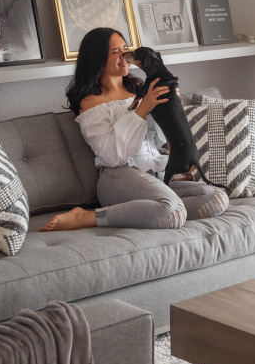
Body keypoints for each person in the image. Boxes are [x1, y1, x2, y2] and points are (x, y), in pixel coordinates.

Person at [40, 27, 229, 231]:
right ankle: (87, 217)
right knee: (171, 211)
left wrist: (171, 106)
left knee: (216, 198)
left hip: (155, 175)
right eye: (115, 52)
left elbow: (162, 140)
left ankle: (154, 211)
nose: (124, 56)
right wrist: (143, 108)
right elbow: (112, 156)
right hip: (118, 175)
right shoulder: (91, 102)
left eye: (125, 49)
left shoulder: (141, 89)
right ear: (97, 58)